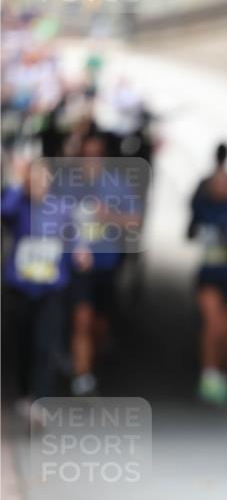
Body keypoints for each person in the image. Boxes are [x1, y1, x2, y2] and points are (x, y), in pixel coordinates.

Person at [1, 159, 89, 416]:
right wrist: (20, 189)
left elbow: (74, 235)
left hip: (50, 290)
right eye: (34, 179)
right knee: (22, 345)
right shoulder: (18, 206)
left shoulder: (61, 208)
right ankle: (24, 392)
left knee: (44, 345)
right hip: (20, 289)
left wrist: (81, 251)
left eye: (44, 178)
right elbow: (4, 212)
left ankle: (40, 400)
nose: (40, 184)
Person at [68, 133, 142, 395]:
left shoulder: (117, 185)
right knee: (82, 319)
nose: (92, 159)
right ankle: (82, 376)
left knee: (99, 325)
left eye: (96, 154)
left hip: (106, 264)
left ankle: (92, 365)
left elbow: (134, 221)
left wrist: (107, 215)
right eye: (87, 154)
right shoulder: (68, 184)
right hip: (78, 266)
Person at [187, 143, 227, 406]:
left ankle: (222, 375)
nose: (221, 187)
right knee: (213, 325)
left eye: (226, 186)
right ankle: (209, 375)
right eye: (217, 185)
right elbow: (190, 230)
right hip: (210, 276)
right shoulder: (203, 205)